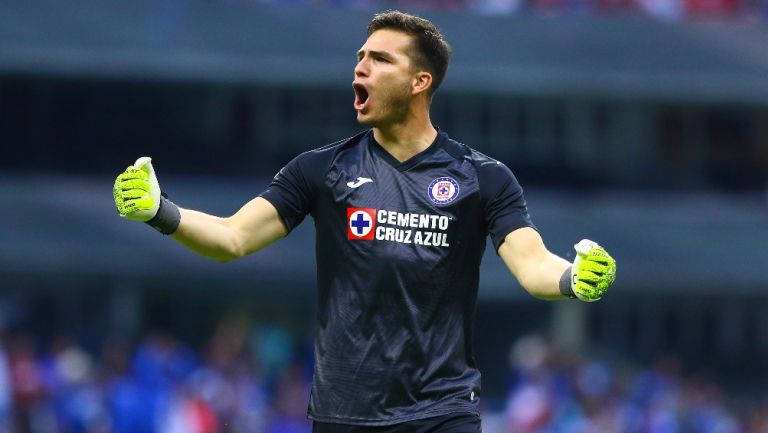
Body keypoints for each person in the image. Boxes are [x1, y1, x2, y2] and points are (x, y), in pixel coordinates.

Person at [113, 10, 616, 433]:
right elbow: (232, 238)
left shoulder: (483, 178)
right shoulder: (321, 169)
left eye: (380, 59)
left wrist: (574, 278)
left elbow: (531, 266)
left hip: (442, 410)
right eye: (360, 57)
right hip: (343, 412)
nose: (361, 68)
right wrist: (162, 211)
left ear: (420, 82)